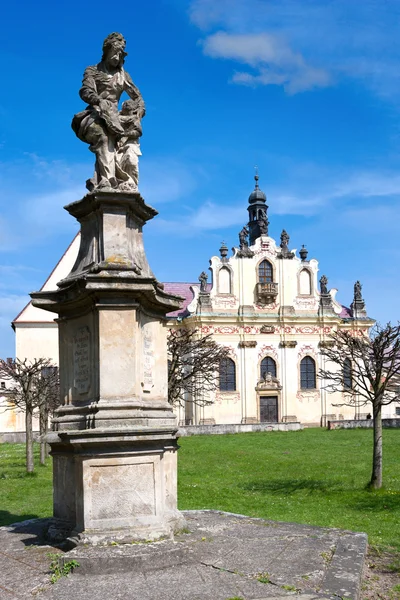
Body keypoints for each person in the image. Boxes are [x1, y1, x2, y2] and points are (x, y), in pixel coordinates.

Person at [72, 32, 144, 191]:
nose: (117, 56)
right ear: (107, 50)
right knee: (103, 136)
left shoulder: (123, 75)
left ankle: (112, 178)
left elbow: (139, 99)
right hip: (95, 114)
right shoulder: (93, 70)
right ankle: (107, 179)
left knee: (118, 140)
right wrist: (99, 101)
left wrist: (137, 115)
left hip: (115, 118)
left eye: (120, 53)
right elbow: (85, 91)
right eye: (115, 52)